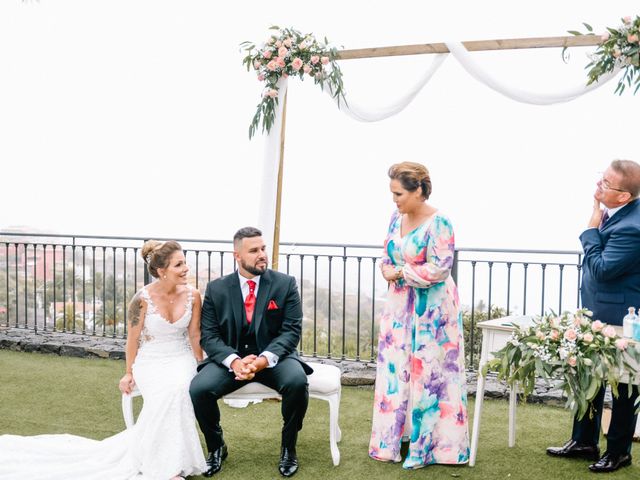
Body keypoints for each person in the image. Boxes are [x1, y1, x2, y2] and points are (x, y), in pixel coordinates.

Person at [0, 240, 207, 479]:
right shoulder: (141, 299)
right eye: (178, 265)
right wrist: (129, 372)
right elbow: (132, 340)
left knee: (180, 389)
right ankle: (166, 467)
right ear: (162, 271)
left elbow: (194, 334)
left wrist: (200, 363)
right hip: (151, 360)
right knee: (167, 392)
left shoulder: (194, 295)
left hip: (180, 357)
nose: (186, 268)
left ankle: (170, 459)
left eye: (185, 263)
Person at [369, 162, 470, 469]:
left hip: (434, 312)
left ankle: (434, 447)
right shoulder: (394, 218)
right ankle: (391, 441)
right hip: (399, 308)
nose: (394, 199)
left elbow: (440, 268)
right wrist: (386, 268)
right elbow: (388, 253)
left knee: (431, 374)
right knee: (396, 370)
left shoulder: (440, 222)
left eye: (398, 193)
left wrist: (399, 272)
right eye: (392, 193)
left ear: (418, 191)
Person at [189, 226, 312, 478]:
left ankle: (288, 447)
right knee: (199, 389)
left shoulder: (285, 284)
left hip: (275, 358)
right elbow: (209, 336)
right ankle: (216, 447)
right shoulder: (216, 289)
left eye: (263, 248)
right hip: (232, 359)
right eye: (254, 250)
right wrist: (234, 362)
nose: (262, 254)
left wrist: (264, 360)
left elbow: (291, 331)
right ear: (238, 256)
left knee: (297, 382)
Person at [547, 159, 640, 473]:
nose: (600, 184)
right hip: (595, 314)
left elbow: (601, 269)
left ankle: (618, 452)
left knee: (623, 387)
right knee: (588, 378)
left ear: (624, 196)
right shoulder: (615, 215)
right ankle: (584, 441)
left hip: (620, 318)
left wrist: (590, 228)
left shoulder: (633, 227)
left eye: (606, 183)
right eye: (602, 178)